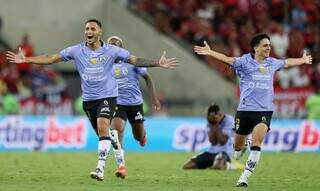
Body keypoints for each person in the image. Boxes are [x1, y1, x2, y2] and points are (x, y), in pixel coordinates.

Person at [6, 19, 177, 181]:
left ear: (100, 32)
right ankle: (120, 163)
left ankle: (100, 168)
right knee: (106, 135)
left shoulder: (112, 51)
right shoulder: (76, 50)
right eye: (87, 28)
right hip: (89, 100)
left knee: (106, 128)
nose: (89, 31)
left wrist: (157, 63)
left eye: (93, 28)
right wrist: (27, 59)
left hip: (108, 96)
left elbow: (135, 60)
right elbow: (51, 58)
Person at [194, 33, 312, 187]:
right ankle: (241, 147)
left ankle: (244, 178)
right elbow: (228, 59)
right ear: (256, 48)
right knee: (237, 148)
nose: (268, 48)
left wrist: (302, 60)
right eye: (265, 45)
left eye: (269, 45)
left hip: (264, 111)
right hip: (244, 111)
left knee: (256, 142)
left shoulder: (272, 63)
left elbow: (287, 62)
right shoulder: (244, 62)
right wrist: (210, 53)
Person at [106, 36, 161, 179]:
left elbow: (147, 78)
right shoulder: (105, 65)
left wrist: (154, 97)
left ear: (121, 48)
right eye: (110, 46)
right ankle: (121, 166)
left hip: (135, 104)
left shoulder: (132, 62)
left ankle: (143, 136)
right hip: (118, 104)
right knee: (116, 131)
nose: (113, 48)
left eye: (116, 46)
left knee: (138, 135)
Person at [182, 104, 237, 170]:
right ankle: (214, 164)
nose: (211, 118)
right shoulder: (210, 120)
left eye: (213, 116)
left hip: (225, 152)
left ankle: (231, 166)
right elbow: (213, 142)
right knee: (187, 166)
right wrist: (213, 124)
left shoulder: (229, 120)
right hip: (211, 152)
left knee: (218, 166)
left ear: (219, 114)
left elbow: (222, 141)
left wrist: (216, 124)